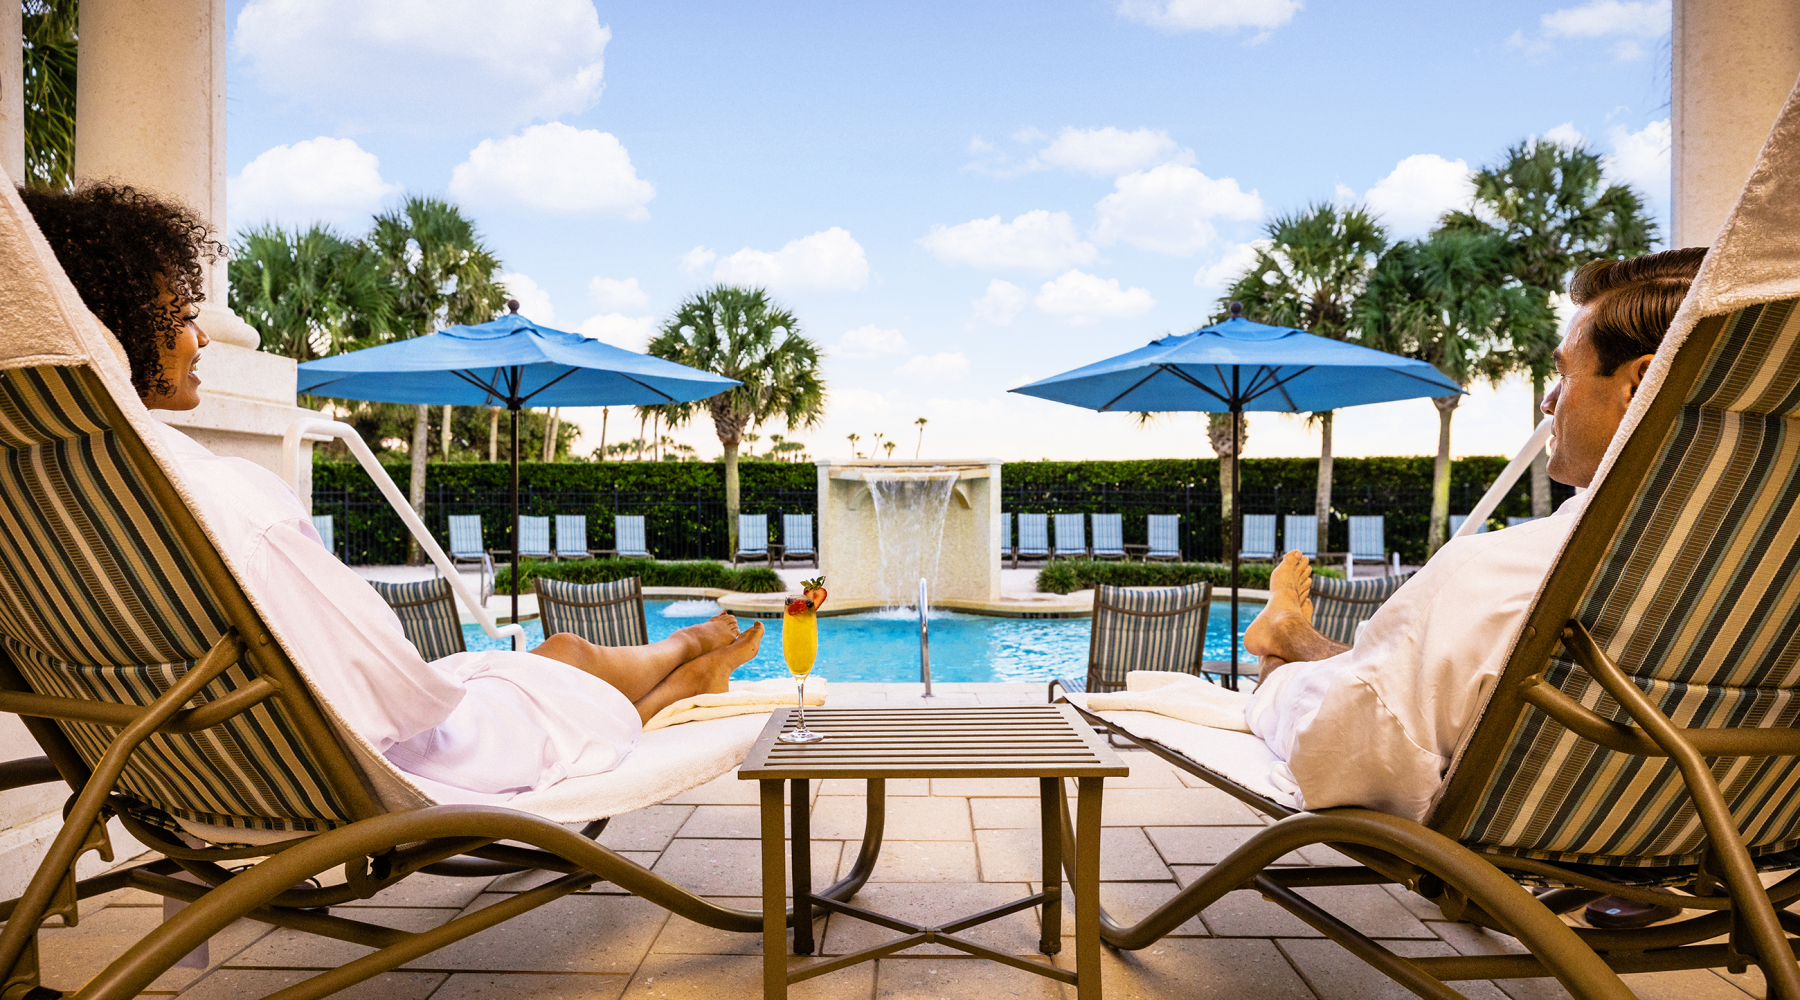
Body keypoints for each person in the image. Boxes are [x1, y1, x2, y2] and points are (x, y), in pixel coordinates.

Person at [20, 182, 764, 804]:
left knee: (548, 662)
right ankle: (686, 657)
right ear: (113, 319)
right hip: (379, 772)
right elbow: (402, 692)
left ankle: (688, 665)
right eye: (183, 317)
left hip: (189, 769)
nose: (202, 338)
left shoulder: (36, 494)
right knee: (556, 663)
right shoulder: (224, 501)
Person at [1240, 247, 1706, 928]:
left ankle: (1283, 640)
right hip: (1702, 816)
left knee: (1311, 683)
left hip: (1534, 810)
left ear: (1637, 386)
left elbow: (1356, 752)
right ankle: (1294, 633)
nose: (1550, 400)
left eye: (1562, 373)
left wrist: (1273, 686)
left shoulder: (1509, 570)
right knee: (1411, 664)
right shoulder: (1756, 571)